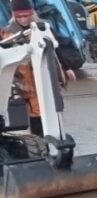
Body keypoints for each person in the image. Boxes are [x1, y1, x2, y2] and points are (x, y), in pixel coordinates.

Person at [0, 0, 75, 137]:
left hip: (47, 73)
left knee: (54, 105)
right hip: (24, 80)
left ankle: (57, 136)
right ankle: (39, 140)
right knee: (33, 111)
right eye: (19, 16)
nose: (23, 19)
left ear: (32, 13)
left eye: (26, 15)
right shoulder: (7, 33)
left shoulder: (44, 27)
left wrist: (68, 68)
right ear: (14, 15)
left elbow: (56, 49)